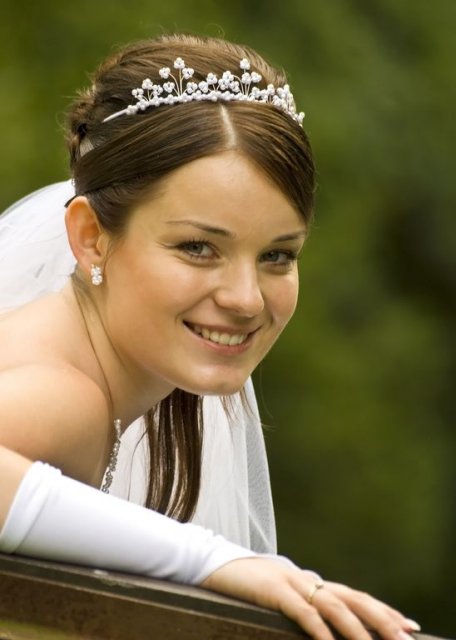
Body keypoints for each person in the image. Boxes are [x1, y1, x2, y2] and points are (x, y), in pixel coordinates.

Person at [0, 33, 420, 640]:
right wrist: (213, 561)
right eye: (198, 247)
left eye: (277, 255)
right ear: (91, 237)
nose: (246, 299)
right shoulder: (65, 397)